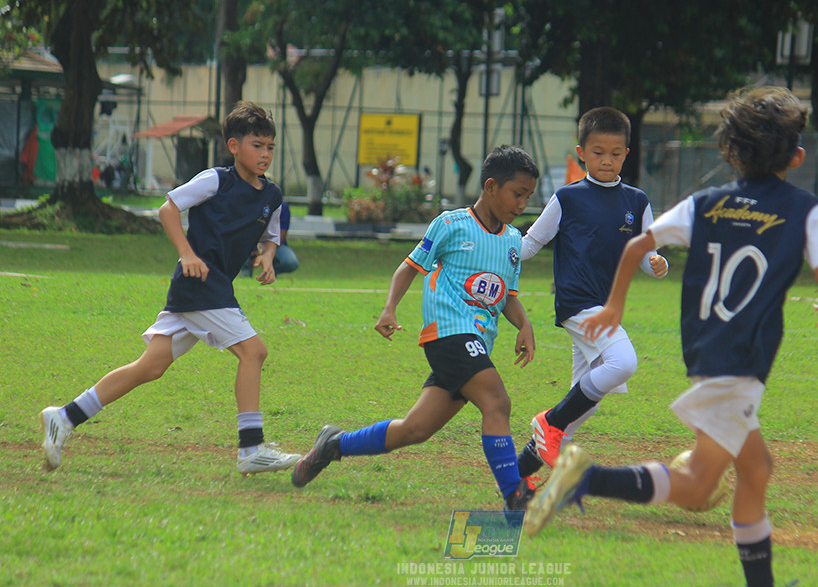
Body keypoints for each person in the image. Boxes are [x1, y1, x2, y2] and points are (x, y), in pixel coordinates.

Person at [524, 87, 818, 587]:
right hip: (742, 362)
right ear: (796, 156)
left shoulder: (707, 202)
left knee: (757, 469)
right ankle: (582, 478)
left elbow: (638, 247)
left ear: (730, 153)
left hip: (708, 352)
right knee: (699, 486)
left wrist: (615, 303)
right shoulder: (807, 210)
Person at [40, 101, 302, 476]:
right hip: (201, 284)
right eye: (256, 145)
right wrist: (186, 254)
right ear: (233, 146)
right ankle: (251, 448)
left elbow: (270, 233)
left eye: (270, 147)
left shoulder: (271, 195)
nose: (265, 154)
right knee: (254, 352)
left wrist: (269, 255)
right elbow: (168, 209)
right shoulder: (216, 179)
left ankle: (64, 417)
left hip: (204, 289)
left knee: (151, 366)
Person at [291, 145, 539, 511]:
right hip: (449, 333)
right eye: (517, 194)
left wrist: (524, 324)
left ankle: (333, 444)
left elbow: (507, 295)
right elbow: (409, 267)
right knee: (497, 402)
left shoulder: (513, 242)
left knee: (415, 430)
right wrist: (389, 308)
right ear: (490, 186)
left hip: (476, 344)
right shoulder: (452, 224)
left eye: (528, 197)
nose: (522, 204)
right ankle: (514, 494)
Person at [516, 107, 669, 479]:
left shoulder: (637, 201)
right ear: (581, 151)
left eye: (616, 153)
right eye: (598, 152)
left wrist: (656, 262)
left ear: (626, 155)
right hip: (578, 303)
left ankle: (517, 476)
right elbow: (531, 243)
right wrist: (489, 254)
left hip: (605, 308)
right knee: (624, 362)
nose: (607, 160)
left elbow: (646, 255)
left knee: (584, 405)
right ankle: (548, 421)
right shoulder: (567, 198)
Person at [242, 200, 299, 278]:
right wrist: (254, 249)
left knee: (290, 261)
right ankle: (246, 268)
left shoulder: (282, 206)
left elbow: (281, 236)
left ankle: (270, 270)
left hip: (274, 245)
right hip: (250, 244)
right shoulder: (248, 203)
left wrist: (265, 251)